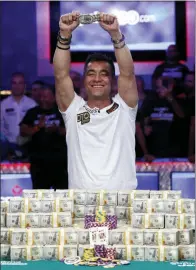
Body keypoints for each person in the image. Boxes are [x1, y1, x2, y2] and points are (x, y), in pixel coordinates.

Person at [53, 11, 138, 190]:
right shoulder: (73, 110)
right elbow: (61, 75)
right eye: (91, 74)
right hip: (82, 206)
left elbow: (127, 74)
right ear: (84, 80)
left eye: (104, 74)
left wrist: (116, 35)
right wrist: (65, 35)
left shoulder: (125, 108)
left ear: (113, 81)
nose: (97, 79)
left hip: (121, 205)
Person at [20, 85, 68, 189]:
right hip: (38, 163)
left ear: (54, 97)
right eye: (41, 96)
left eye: (46, 96)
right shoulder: (32, 113)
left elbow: (72, 132)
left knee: (62, 196)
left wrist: (57, 130)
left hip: (59, 162)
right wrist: (37, 127)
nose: (42, 99)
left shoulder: (62, 112)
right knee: (40, 196)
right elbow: (23, 131)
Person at [140, 76, 184, 158]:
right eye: (157, 87)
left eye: (162, 87)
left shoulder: (179, 98)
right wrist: (145, 126)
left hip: (174, 145)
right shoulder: (151, 99)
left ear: (170, 86)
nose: (159, 90)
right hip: (154, 145)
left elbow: (181, 115)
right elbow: (144, 116)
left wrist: (169, 97)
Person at [0, 72, 37, 158]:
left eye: (20, 83)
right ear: (11, 85)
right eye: (14, 83)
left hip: (29, 146)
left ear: (24, 85)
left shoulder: (32, 104)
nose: (17, 86)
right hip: (7, 148)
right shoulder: (3, 105)